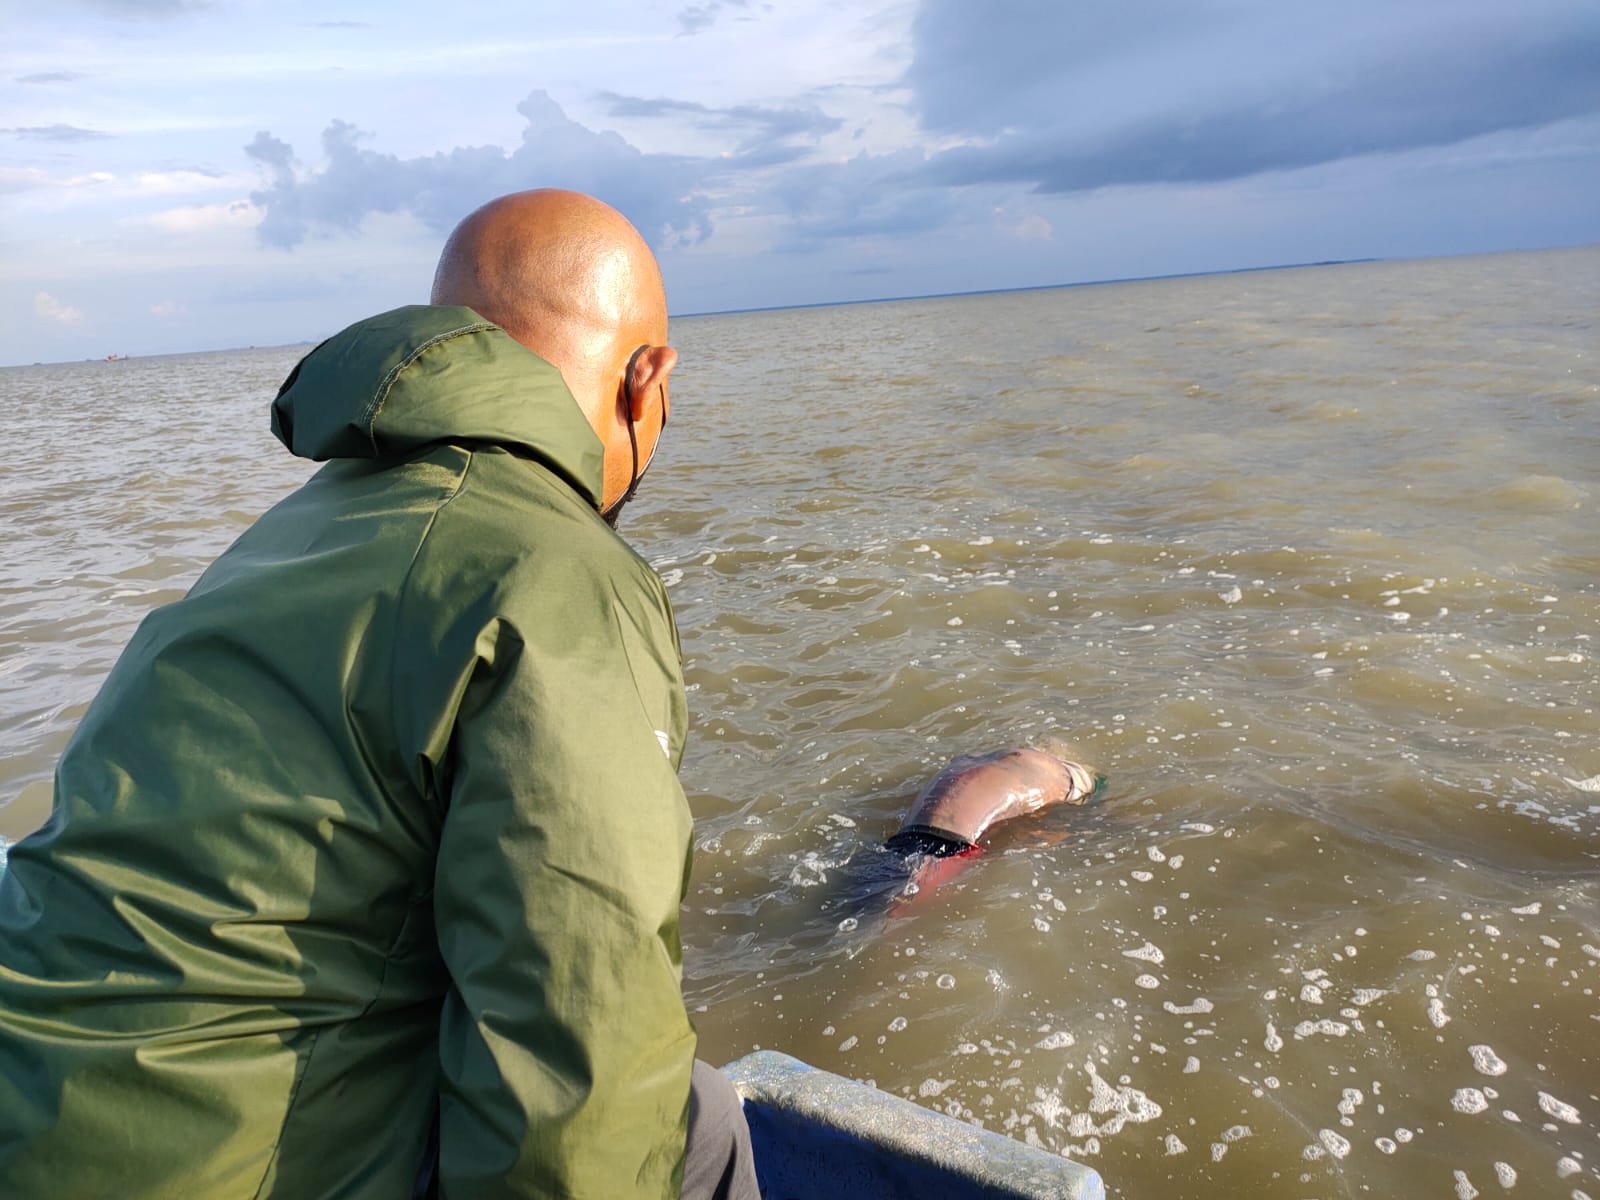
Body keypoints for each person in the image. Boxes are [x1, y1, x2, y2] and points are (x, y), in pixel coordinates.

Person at [0, 189, 757, 1200]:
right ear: (648, 379)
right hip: (217, 1169)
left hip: (37, 1114)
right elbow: (578, 1030)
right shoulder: (556, 567)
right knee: (695, 1125)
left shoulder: (294, 531)